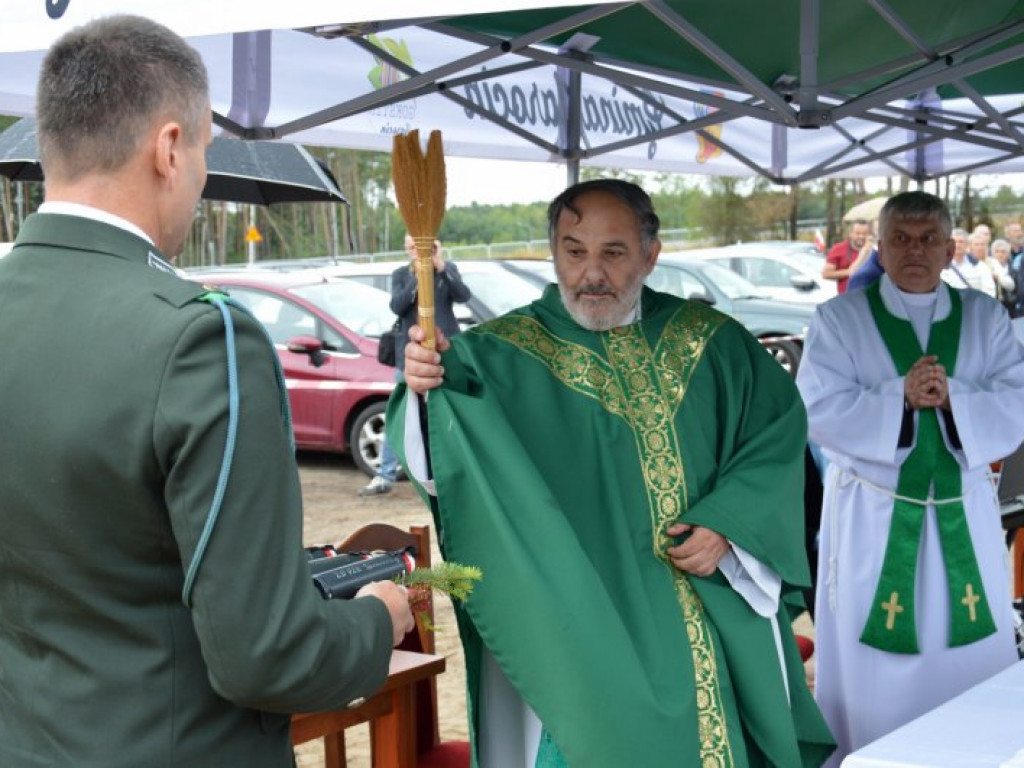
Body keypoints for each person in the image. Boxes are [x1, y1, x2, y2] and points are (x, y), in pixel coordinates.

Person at [0, 16, 413, 767]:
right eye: (200, 156)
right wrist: (376, 623)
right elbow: (264, 656)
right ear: (168, 148)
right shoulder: (198, 339)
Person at [389, 179, 835, 767]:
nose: (591, 273)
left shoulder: (713, 344)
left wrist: (729, 525)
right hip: (584, 619)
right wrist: (424, 388)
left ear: (650, 255)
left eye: (613, 253)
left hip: (707, 601)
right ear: (553, 253)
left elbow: (775, 434)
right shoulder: (496, 356)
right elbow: (445, 460)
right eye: (574, 252)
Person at [796, 191, 1024, 766]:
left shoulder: (985, 317)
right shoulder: (839, 318)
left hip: (962, 512)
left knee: (965, 650)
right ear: (880, 245)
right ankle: (872, 755)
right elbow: (816, 408)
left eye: (928, 239)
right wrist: (897, 396)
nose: (914, 250)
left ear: (950, 249)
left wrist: (955, 399)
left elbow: (1017, 401)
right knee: (878, 671)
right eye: (900, 238)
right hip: (872, 519)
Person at [359, 234, 471, 496]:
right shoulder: (400, 274)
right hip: (410, 357)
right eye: (411, 248)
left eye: (420, 248)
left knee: (450, 414)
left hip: (446, 353)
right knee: (401, 414)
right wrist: (417, 275)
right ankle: (385, 474)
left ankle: (452, 473)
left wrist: (439, 265)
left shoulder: (446, 271)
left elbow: (464, 295)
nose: (415, 252)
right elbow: (397, 306)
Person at [824, 219, 871, 294]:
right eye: (858, 233)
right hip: (847, 298)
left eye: (865, 234)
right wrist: (847, 272)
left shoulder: (875, 250)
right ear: (851, 234)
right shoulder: (838, 249)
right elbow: (826, 274)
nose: (861, 237)